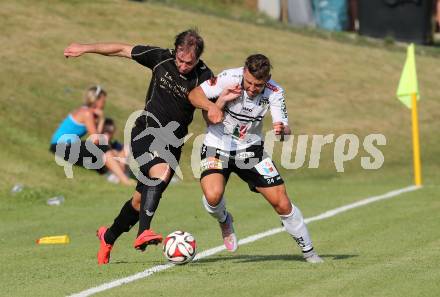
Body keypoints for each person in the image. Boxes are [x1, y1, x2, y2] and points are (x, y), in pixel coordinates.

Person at [64, 29, 222, 265]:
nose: (182, 66)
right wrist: (85, 47)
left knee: (139, 201)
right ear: (175, 51)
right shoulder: (161, 58)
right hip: (145, 132)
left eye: (188, 62)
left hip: (172, 144)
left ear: (198, 58)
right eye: (179, 59)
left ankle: (107, 236)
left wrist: (214, 114)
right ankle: (144, 233)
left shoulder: (204, 76)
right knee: (161, 172)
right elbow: (121, 49)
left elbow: (209, 109)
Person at [188, 54, 323, 263]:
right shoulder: (228, 78)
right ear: (244, 72)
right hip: (217, 145)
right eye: (249, 83)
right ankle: (224, 220)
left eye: (257, 85)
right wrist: (213, 106)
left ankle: (309, 251)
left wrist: (282, 130)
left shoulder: (275, 92)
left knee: (282, 202)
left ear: (267, 79)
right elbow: (194, 94)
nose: (251, 89)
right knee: (213, 196)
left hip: (251, 150)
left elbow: (285, 130)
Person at [50, 86, 133, 185]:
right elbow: (96, 140)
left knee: (101, 151)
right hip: (62, 146)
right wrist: (101, 119)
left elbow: (97, 137)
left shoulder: (86, 112)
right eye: (103, 101)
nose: (104, 104)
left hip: (64, 146)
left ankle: (117, 175)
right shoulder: (87, 113)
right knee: (102, 148)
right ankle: (124, 179)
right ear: (96, 100)